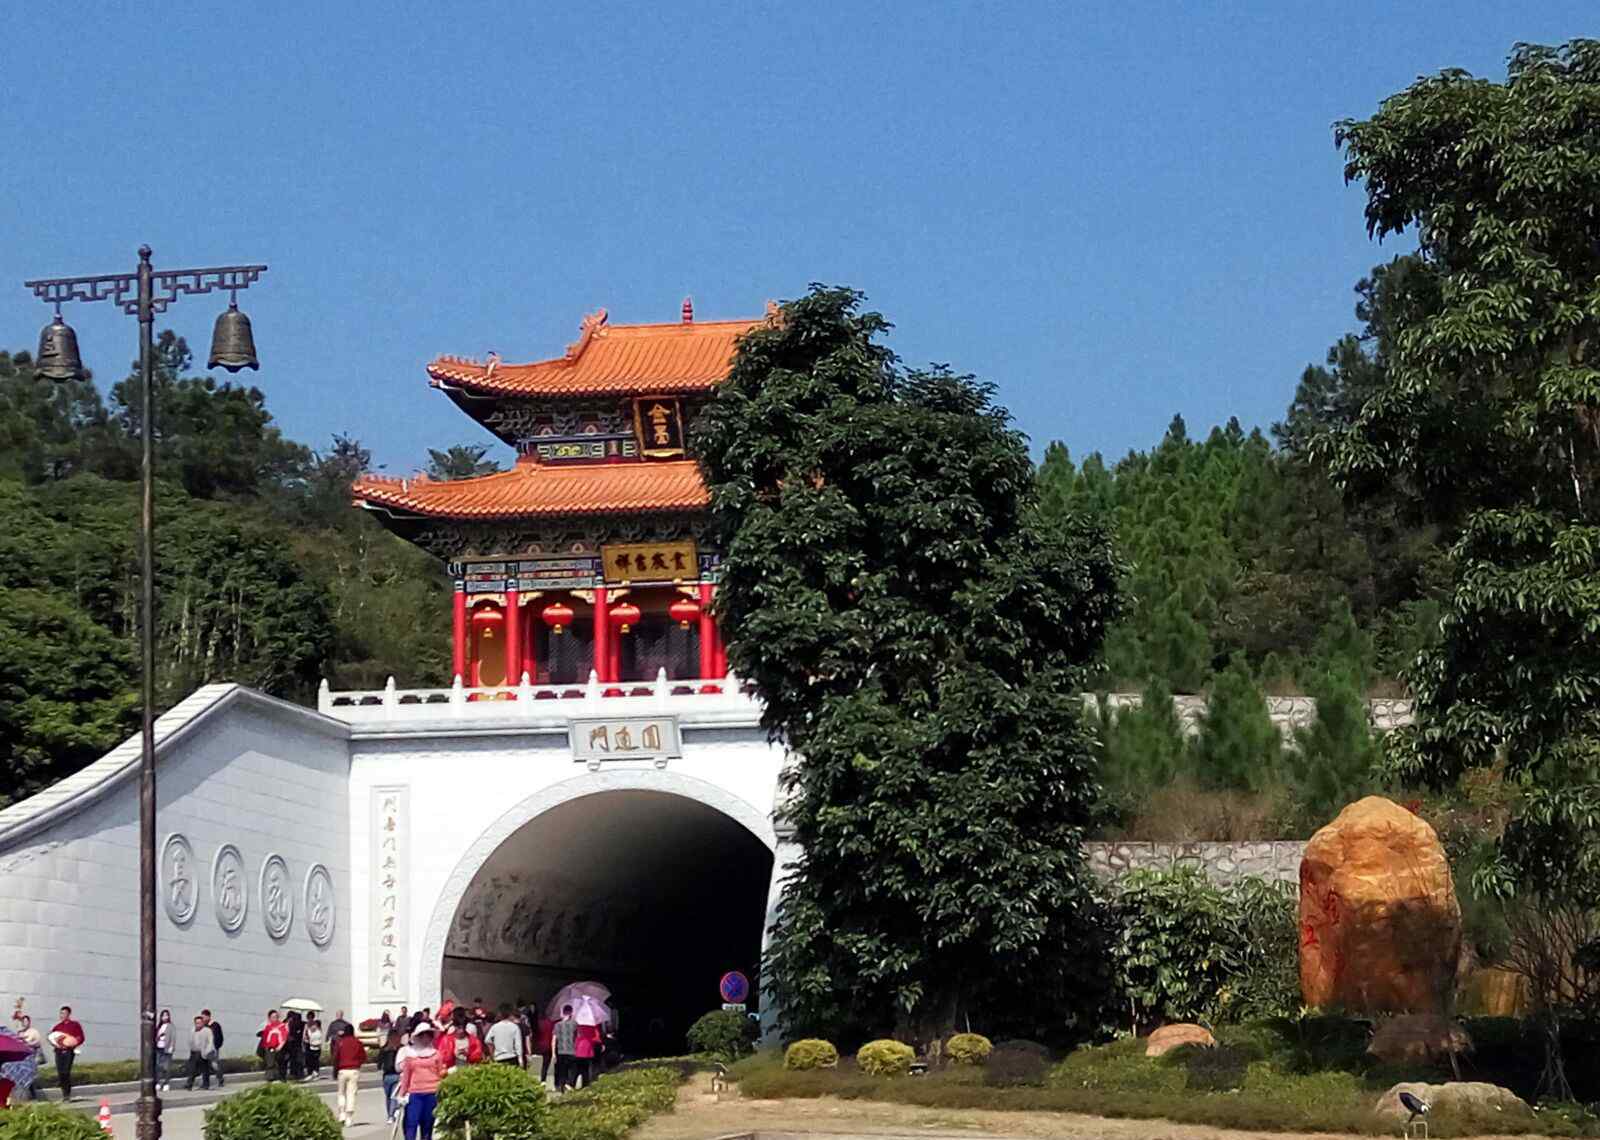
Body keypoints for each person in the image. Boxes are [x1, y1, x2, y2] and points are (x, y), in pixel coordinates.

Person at [397, 1019, 445, 1140]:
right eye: (422, 1035)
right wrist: (402, 1095)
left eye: (428, 1035)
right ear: (417, 1037)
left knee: (427, 1125)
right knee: (411, 1123)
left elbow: (441, 1073)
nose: (425, 1038)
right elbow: (406, 1076)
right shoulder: (411, 1055)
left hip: (432, 1092)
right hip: (415, 1093)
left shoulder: (436, 1054)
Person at [331, 1023, 366, 1126]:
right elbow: (363, 1056)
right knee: (351, 1093)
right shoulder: (358, 1042)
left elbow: (336, 1057)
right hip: (354, 1070)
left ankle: (342, 1113)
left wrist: (335, 1070)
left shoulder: (340, 1042)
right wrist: (358, 1063)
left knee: (341, 1093)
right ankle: (349, 1118)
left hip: (342, 1070)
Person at [49, 1006, 84, 1101]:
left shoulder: (75, 1025)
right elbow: (52, 1039)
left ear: (68, 1014)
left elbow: (80, 1037)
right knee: (60, 1073)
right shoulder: (57, 1027)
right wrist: (54, 1042)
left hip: (69, 1052)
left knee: (66, 1072)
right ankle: (64, 1094)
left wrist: (73, 1043)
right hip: (59, 1052)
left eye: (64, 1013)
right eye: (61, 1013)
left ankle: (67, 1094)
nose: (62, 1015)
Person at [377, 1028, 404, 1124]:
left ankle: (390, 1115)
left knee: (390, 1096)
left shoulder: (384, 1049)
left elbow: (379, 1063)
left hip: (389, 1075)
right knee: (392, 1096)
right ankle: (391, 1114)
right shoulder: (401, 1048)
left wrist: (380, 1067)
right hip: (394, 1074)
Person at [14, 1015, 43, 1101]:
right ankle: (25, 1096)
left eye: (26, 1021)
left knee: (31, 1076)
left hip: (32, 1056)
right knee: (24, 1076)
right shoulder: (20, 1032)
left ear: (29, 1022)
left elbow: (38, 1043)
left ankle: (34, 1095)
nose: (24, 1023)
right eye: (23, 1021)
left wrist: (27, 1042)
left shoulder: (34, 1032)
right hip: (23, 1058)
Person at [186, 1015, 217, 1090]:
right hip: (194, 1052)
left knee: (205, 1069)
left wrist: (207, 1051)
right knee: (192, 1069)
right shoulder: (193, 1030)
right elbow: (190, 1040)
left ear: (203, 1023)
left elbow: (210, 1042)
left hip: (203, 1052)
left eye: (200, 1023)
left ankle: (206, 1085)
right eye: (196, 1023)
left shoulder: (207, 1030)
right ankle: (189, 1084)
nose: (198, 1024)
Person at [552, 1004, 578, 1092]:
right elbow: (577, 1037)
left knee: (561, 1070)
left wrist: (553, 1053)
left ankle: (561, 1086)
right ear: (571, 1012)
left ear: (563, 1012)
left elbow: (554, 1040)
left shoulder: (557, 1025)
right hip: (571, 1050)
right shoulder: (574, 1024)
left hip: (560, 1050)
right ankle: (569, 1083)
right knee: (572, 1069)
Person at [203, 1010, 225, 1087]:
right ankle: (205, 1082)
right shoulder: (204, 1026)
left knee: (214, 1065)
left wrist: (216, 1047)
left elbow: (220, 1038)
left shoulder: (215, 1025)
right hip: (205, 1049)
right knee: (204, 1065)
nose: (203, 1019)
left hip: (213, 1049)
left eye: (204, 1017)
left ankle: (220, 1079)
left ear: (208, 1016)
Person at [534, 1009, 555, 1085]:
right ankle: (544, 1079)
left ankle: (543, 1079)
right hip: (548, 1044)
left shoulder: (539, 1023)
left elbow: (537, 1034)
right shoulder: (550, 1023)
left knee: (544, 1062)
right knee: (547, 1063)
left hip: (541, 1044)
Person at [154, 1010, 174, 1092]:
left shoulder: (171, 1026)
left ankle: (166, 1083)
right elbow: (156, 1037)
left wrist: (172, 1047)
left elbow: (173, 1037)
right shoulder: (159, 1026)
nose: (165, 1017)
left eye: (166, 1015)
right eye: (163, 1015)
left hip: (167, 1048)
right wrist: (158, 1037)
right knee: (159, 1066)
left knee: (166, 1067)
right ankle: (158, 1082)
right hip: (159, 1047)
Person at [283, 1011, 305, 1080]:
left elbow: (299, 1033)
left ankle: (297, 1074)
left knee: (297, 1060)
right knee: (289, 1060)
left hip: (296, 1044)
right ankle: (290, 1073)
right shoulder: (284, 1023)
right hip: (287, 1045)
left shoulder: (299, 1024)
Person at [304, 1016, 324, 1080]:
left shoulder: (318, 1032)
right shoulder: (312, 1031)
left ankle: (315, 1073)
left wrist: (306, 1031)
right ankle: (312, 1073)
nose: (312, 1027)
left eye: (314, 1026)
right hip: (312, 1048)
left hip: (316, 1048)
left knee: (315, 1061)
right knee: (311, 1061)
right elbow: (307, 1037)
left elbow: (310, 1038)